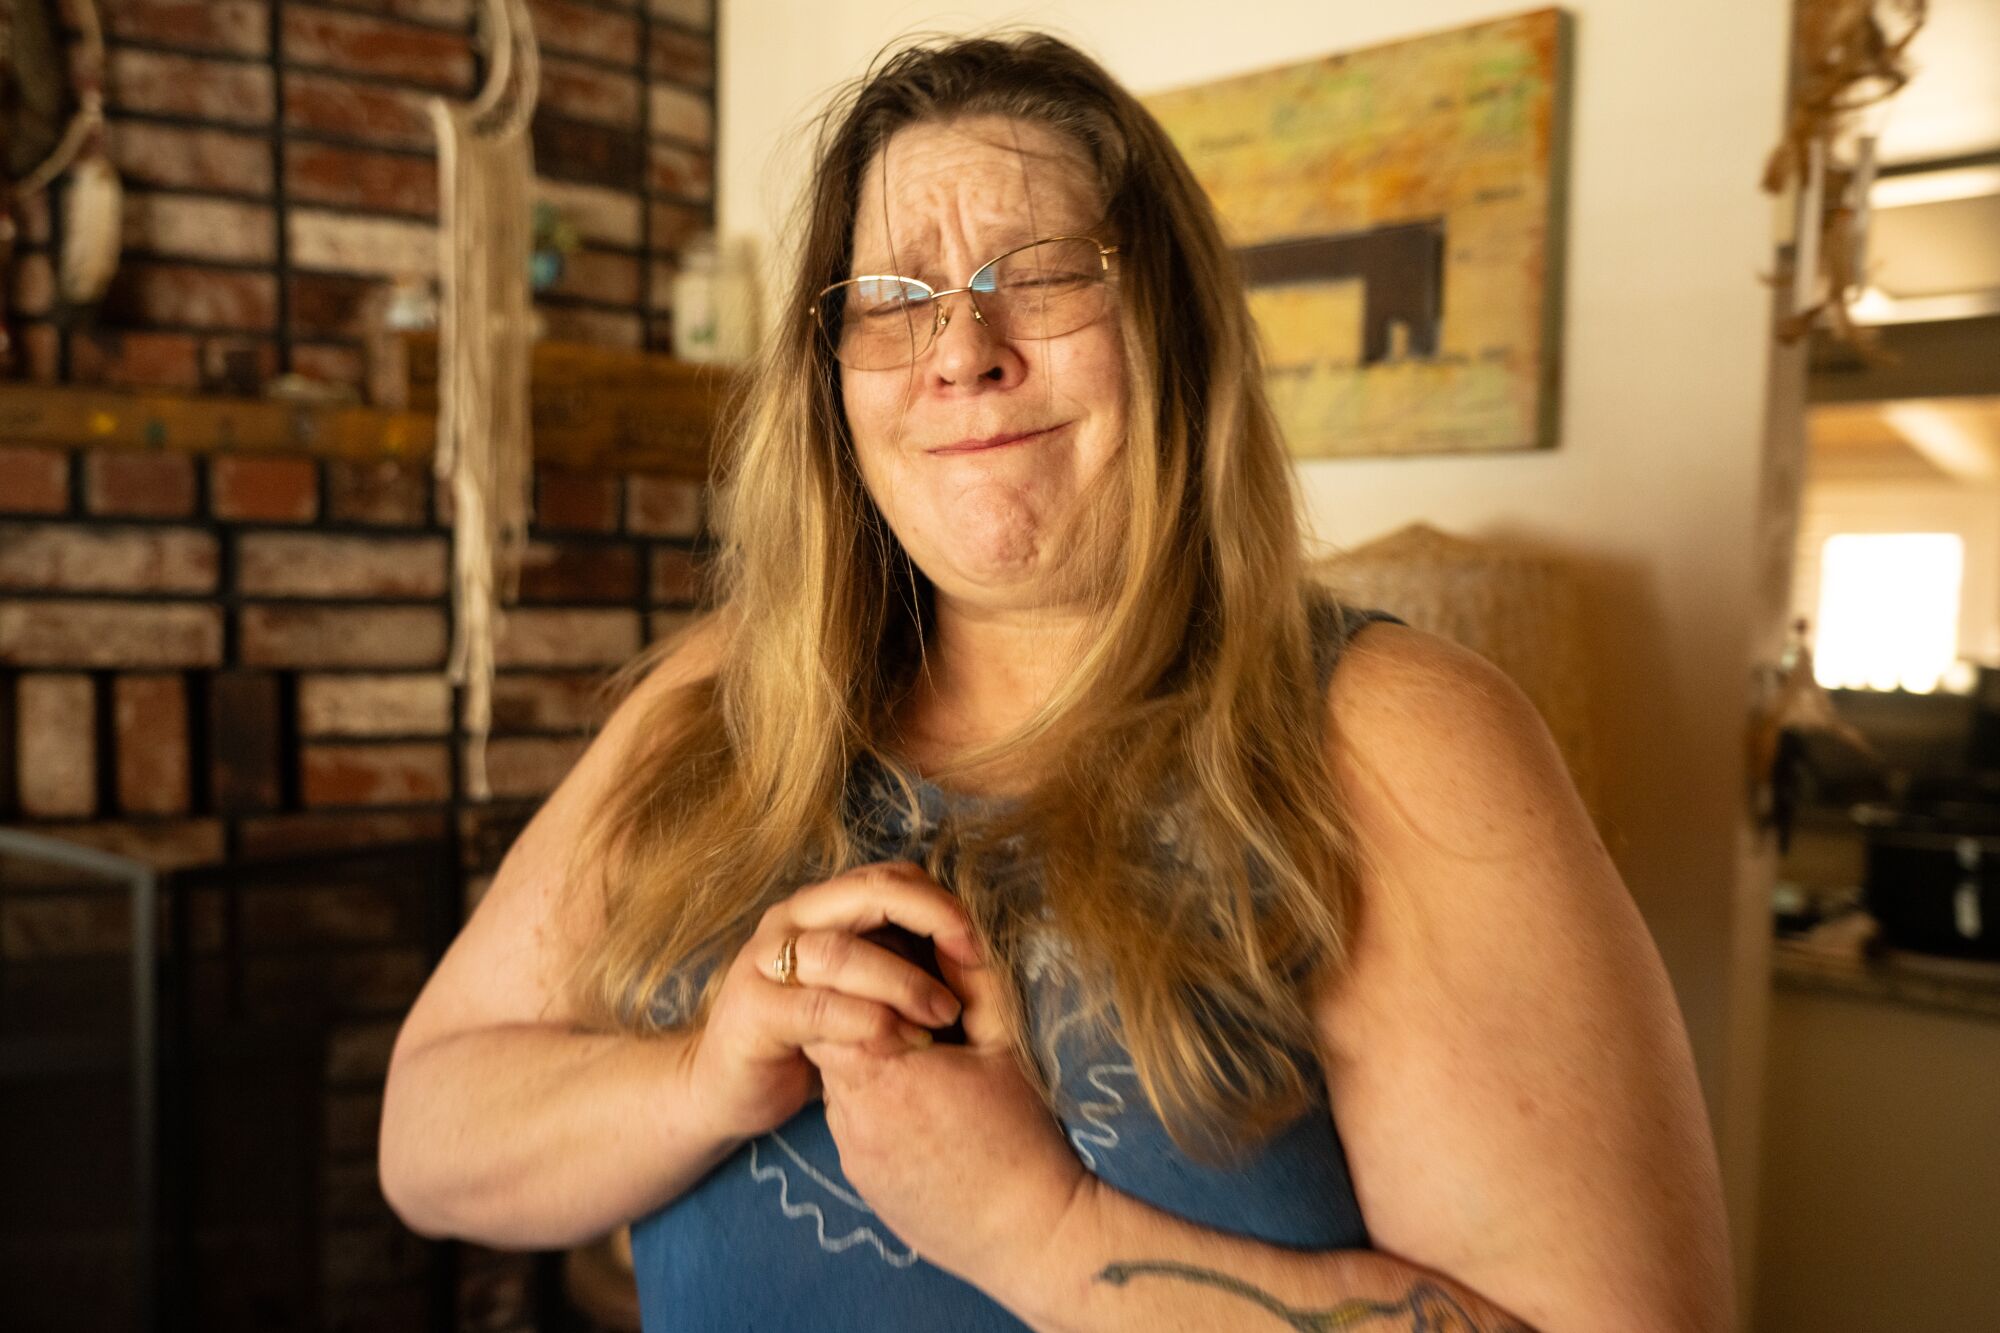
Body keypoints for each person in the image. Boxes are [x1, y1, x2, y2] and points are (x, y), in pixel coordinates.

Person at [379, 31, 1732, 1333]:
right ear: (829, 386)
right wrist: (704, 1074)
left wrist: (1045, 1231)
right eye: (896, 297)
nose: (963, 347)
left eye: (1042, 272)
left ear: (1176, 333)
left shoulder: (1390, 735)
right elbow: (427, 1136)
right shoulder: (728, 701)